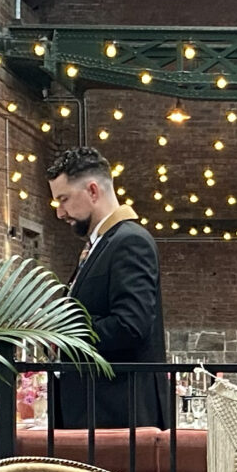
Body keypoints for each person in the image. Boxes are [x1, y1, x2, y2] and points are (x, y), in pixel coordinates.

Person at [46, 145, 169, 428]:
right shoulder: (102, 243)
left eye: (64, 199)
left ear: (92, 191)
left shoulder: (130, 241)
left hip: (118, 415)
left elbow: (130, 326)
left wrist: (62, 334)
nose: (60, 213)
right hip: (97, 412)